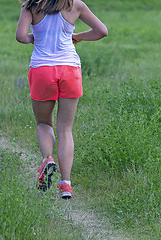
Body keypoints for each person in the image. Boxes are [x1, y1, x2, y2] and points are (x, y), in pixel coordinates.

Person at [16, 0, 107, 199]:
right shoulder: (75, 5)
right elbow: (101, 31)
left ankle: (48, 159)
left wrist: (35, 37)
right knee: (65, 128)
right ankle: (65, 184)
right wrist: (77, 37)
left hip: (42, 70)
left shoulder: (30, 5)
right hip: (70, 69)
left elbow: (21, 37)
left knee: (43, 122)